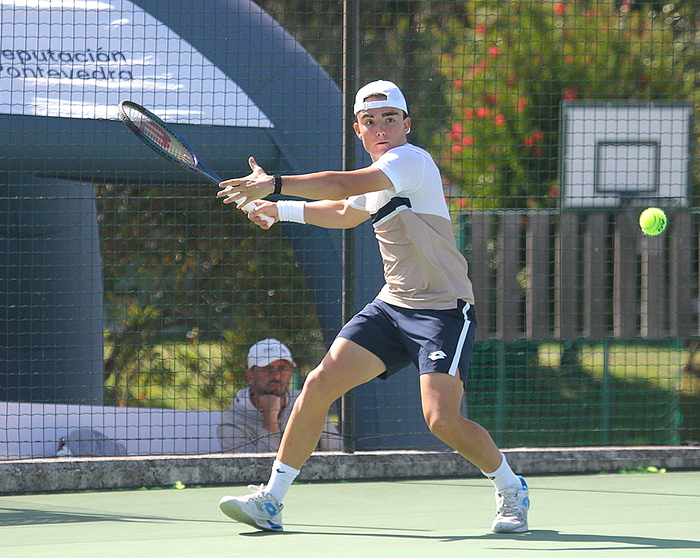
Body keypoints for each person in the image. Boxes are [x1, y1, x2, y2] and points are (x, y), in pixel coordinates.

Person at [215, 80, 529, 534]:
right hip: (391, 307)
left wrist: (275, 184)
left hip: (442, 310)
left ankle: (511, 488)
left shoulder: (410, 161)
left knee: (441, 420)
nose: (380, 127)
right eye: (369, 121)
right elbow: (345, 211)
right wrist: (277, 210)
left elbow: (344, 184)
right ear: (358, 130)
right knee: (319, 385)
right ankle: (271, 500)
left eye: (389, 119)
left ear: (406, 124)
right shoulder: (382, 175)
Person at [217, 338, 342, 453]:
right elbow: (251, 471)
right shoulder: (231, 423)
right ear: (250, 376)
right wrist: (270, 419)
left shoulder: (307, 403)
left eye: (282, 368)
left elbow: (336, 453)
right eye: (267, 369)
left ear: (290, 373)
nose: (276, 376)